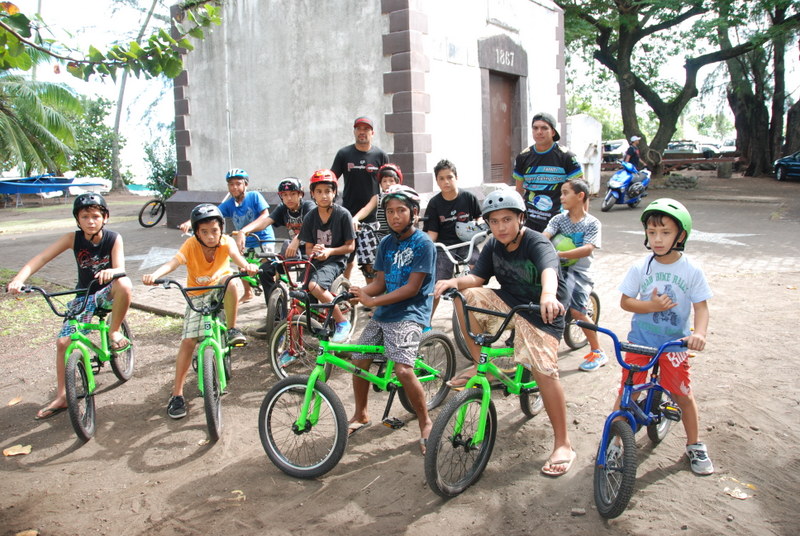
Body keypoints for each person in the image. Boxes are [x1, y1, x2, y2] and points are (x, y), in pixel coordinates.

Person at [434, 189, 576, 477]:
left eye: (507, 219)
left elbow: (549, 270)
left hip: (542, 313)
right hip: (510, 303)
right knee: (468, 295)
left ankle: (563, 443)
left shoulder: (536, 242)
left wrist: (548, 295)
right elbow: (478, 277)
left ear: (521, 218)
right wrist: (454, 281)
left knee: (544, 372)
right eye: (494, 221)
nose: (500, 227)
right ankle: (479, 363)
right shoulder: (493, 245)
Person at [7, 193, 133, 420]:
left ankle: (114, 331)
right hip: (83, 297)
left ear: (105, 218)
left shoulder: (114, 238)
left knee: (124, 283)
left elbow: (120, 268)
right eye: (85, 216)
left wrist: (111, 272)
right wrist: (19, 279)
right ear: (78, 219)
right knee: (63, 342)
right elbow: (41, 258)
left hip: (106, 293)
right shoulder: (72, 239)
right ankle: (63, 396)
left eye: (96, 216)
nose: (91, 221)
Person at [616, 198, 713, 475]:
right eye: (652, 232)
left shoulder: (691, 270)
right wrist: (651, 306)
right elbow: (626, 301)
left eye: (665, 232)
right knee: (627, 391)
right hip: (640, 341)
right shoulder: (640, 267)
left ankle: (694, 444)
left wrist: (700, 334)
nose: (657, 239)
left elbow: (701, 307)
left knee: (682, 394)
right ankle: (613, 440)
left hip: (673, 344)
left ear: (681, 235)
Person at [142, 204, 258, 419]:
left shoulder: (226, 242)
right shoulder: (190, 245)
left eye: (214, 230)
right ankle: (177, 394)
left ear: (221, 228)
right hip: (196, 295)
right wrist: (154, 275)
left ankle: (232, 329)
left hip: (220, 290)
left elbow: (237, 258)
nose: (211, 236)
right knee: (188, 341)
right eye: (204, 232)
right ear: (196, 232)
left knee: (231, 281)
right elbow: (173, 263)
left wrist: (247, 266)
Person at [349, 185, 435, 453]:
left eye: (401, 210)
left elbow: (411, 289)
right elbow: (379, 283)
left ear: (414, 213)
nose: (395, 216)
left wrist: (373, 302)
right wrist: (360, 293)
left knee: (403, 370)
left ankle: (425, 422)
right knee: (359, 361)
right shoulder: (385, 243)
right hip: (386, 310)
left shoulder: (424, 244)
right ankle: (362, 413)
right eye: (389, 211)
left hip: (411, 312)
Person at [179, 168, 275, 302]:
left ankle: (274, 296)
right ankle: (248, 293)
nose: (234, 187)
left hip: (263, 239)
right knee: (241, 265)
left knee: (267, 269)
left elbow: (265, 216)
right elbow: (210, 212)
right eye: (231, 184)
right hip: (245, 241)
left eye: (238, 183)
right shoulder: (230, 204)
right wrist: (190, 222)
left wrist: (243, 231)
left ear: (245, 184)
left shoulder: (254, 196)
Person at [235, 177, 316, 332]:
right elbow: (266, 221)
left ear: (300, 194)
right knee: (265, 270)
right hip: (294, 252)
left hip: (311, 252)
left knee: (301, 283)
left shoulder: (309, 206)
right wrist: (244, 231)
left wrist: (297, 240)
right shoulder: (282, 209)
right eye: (284, 195)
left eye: (292, 194)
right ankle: (276, 317)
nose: (289, 198)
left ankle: (306, 318)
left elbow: (310, 224)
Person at [542, 178, 605, 371]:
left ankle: (598, 352)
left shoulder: (592, 223)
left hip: (579, 272)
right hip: (557, 268)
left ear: (580, 196)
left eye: (565, 193)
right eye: (560, 193)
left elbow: (587, 249)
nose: (561, 197)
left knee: (578, 312)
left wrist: (559, 254)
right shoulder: (558, 219)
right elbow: (546, 236)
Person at [298, 169, 356, 343]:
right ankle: (294, 343)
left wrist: (330, 251)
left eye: (328, 191)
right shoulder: (310, 217)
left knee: (315, 286)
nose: (324, 196)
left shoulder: (343, 215)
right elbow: (308, 250)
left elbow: (350, 246)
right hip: (316, 261)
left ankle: (342, 322)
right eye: (319, 191)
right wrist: (315, 250)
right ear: (313, 194)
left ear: (334, 192)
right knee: (299, 294)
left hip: (336, 260)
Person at [423, 159, 482, 320]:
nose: (446, 182)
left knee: (478, 270)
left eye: (449, 177)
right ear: (437, 181)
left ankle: (477, 313)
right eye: (441, 178)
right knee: (437, 283)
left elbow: (480, 218)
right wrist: (423, 246)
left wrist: (479, 225)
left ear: (456, 177)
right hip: (445, 247)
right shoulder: (435, 204)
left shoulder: (468, 197)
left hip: (467, 243)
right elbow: (432, 234)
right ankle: (426, 322)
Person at [331, 116, 388, 279]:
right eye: (359, 129)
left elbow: (387, 182)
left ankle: (371, 300)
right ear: (354, 131)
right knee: (346, 259)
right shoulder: (344, 154)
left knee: (369, 262)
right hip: (348, 215)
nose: (362, 132)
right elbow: (332, 181)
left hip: (372, 217)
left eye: (366, 129)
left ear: (372, 132)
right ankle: (342, 296)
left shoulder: (380, 155)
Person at [513, 112, 584, 232]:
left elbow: (581, 193)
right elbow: (519, 191)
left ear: (553, 132)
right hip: (530, 221)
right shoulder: (523, 157)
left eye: (544, 128)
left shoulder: (567, 157)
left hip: (560, 221)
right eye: (535, 128)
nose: (539, 132)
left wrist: (582, 221)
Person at [353, 163, 403, 286]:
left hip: (399, 234)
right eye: (384, 181)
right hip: (381, 233)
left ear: (398, 182)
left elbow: (413, 209)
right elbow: (366, 209)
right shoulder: (378, 198)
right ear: (380, 184)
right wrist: (355, 218)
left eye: (391, 180)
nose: (388, 183)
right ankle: (369, 277)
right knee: (364, 235)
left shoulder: (403, 196)